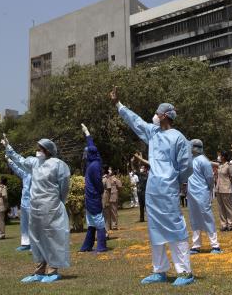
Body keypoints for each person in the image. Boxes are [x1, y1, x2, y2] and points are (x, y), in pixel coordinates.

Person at [111, 88, 195, 286]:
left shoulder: (179, 138)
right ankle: (160, 270)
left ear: (165, 116)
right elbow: (136, 121)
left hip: (168, 188)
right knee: (155, 228)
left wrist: (174, 180)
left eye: (157, 113)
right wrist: (118, 105)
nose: (155, 116)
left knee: (174, 226)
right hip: (153, 189)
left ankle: (185, 272)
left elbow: (186, 166)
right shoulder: (153, 133)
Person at [2, 134, 72, 283]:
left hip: (51, 206)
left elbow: (64, 186)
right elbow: (20, 160)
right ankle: (39, 270)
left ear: (47, 150)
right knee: (36, 238)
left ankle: (53, 270)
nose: (37, 151)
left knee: (51, 236)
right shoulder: (34, 163)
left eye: (40, 149)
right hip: (35, 207)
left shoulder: (58, 164)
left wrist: (60, 201)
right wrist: (8, 148)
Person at [186, 139, 222, 254]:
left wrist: (209, 190)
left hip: (202, 192)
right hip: (191, 194)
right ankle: (196, 245)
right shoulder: (190, 160)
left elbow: (210, 179)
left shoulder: (204, 161)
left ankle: (215, 245)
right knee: (194, 219)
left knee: (207, 217)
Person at [78, 123, 107, 253]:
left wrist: (100, 191)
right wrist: (87, 132)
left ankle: (101, 245)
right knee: (91, 222)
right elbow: (91, 145)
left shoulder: (94, 166)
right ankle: (87, 245)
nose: (85, 154)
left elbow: (98, 182)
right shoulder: (95, 159)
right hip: (90, 197)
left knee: (98, 221)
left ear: (90, 154)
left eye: (86, 152)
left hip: (93, 196)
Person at [5, 150, 32, 251]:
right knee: (24, 223)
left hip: (33, 202)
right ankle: (25, 243)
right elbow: (16, 168)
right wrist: (9, 160)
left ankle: (34, 244)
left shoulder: (37, 174)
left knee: (33, 224)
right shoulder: (25, 174)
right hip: (24, 203)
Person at [214, 151, 232, 231]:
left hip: (226, 189)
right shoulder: (220, 165)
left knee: (228, 207)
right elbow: (210, 162)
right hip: (218, 188)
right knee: (221, 208)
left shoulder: (229, 166)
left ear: (224, 157)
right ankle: (224, 224)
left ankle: (230, 224)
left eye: (221, 156)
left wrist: (229, 185)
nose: (219, 157)